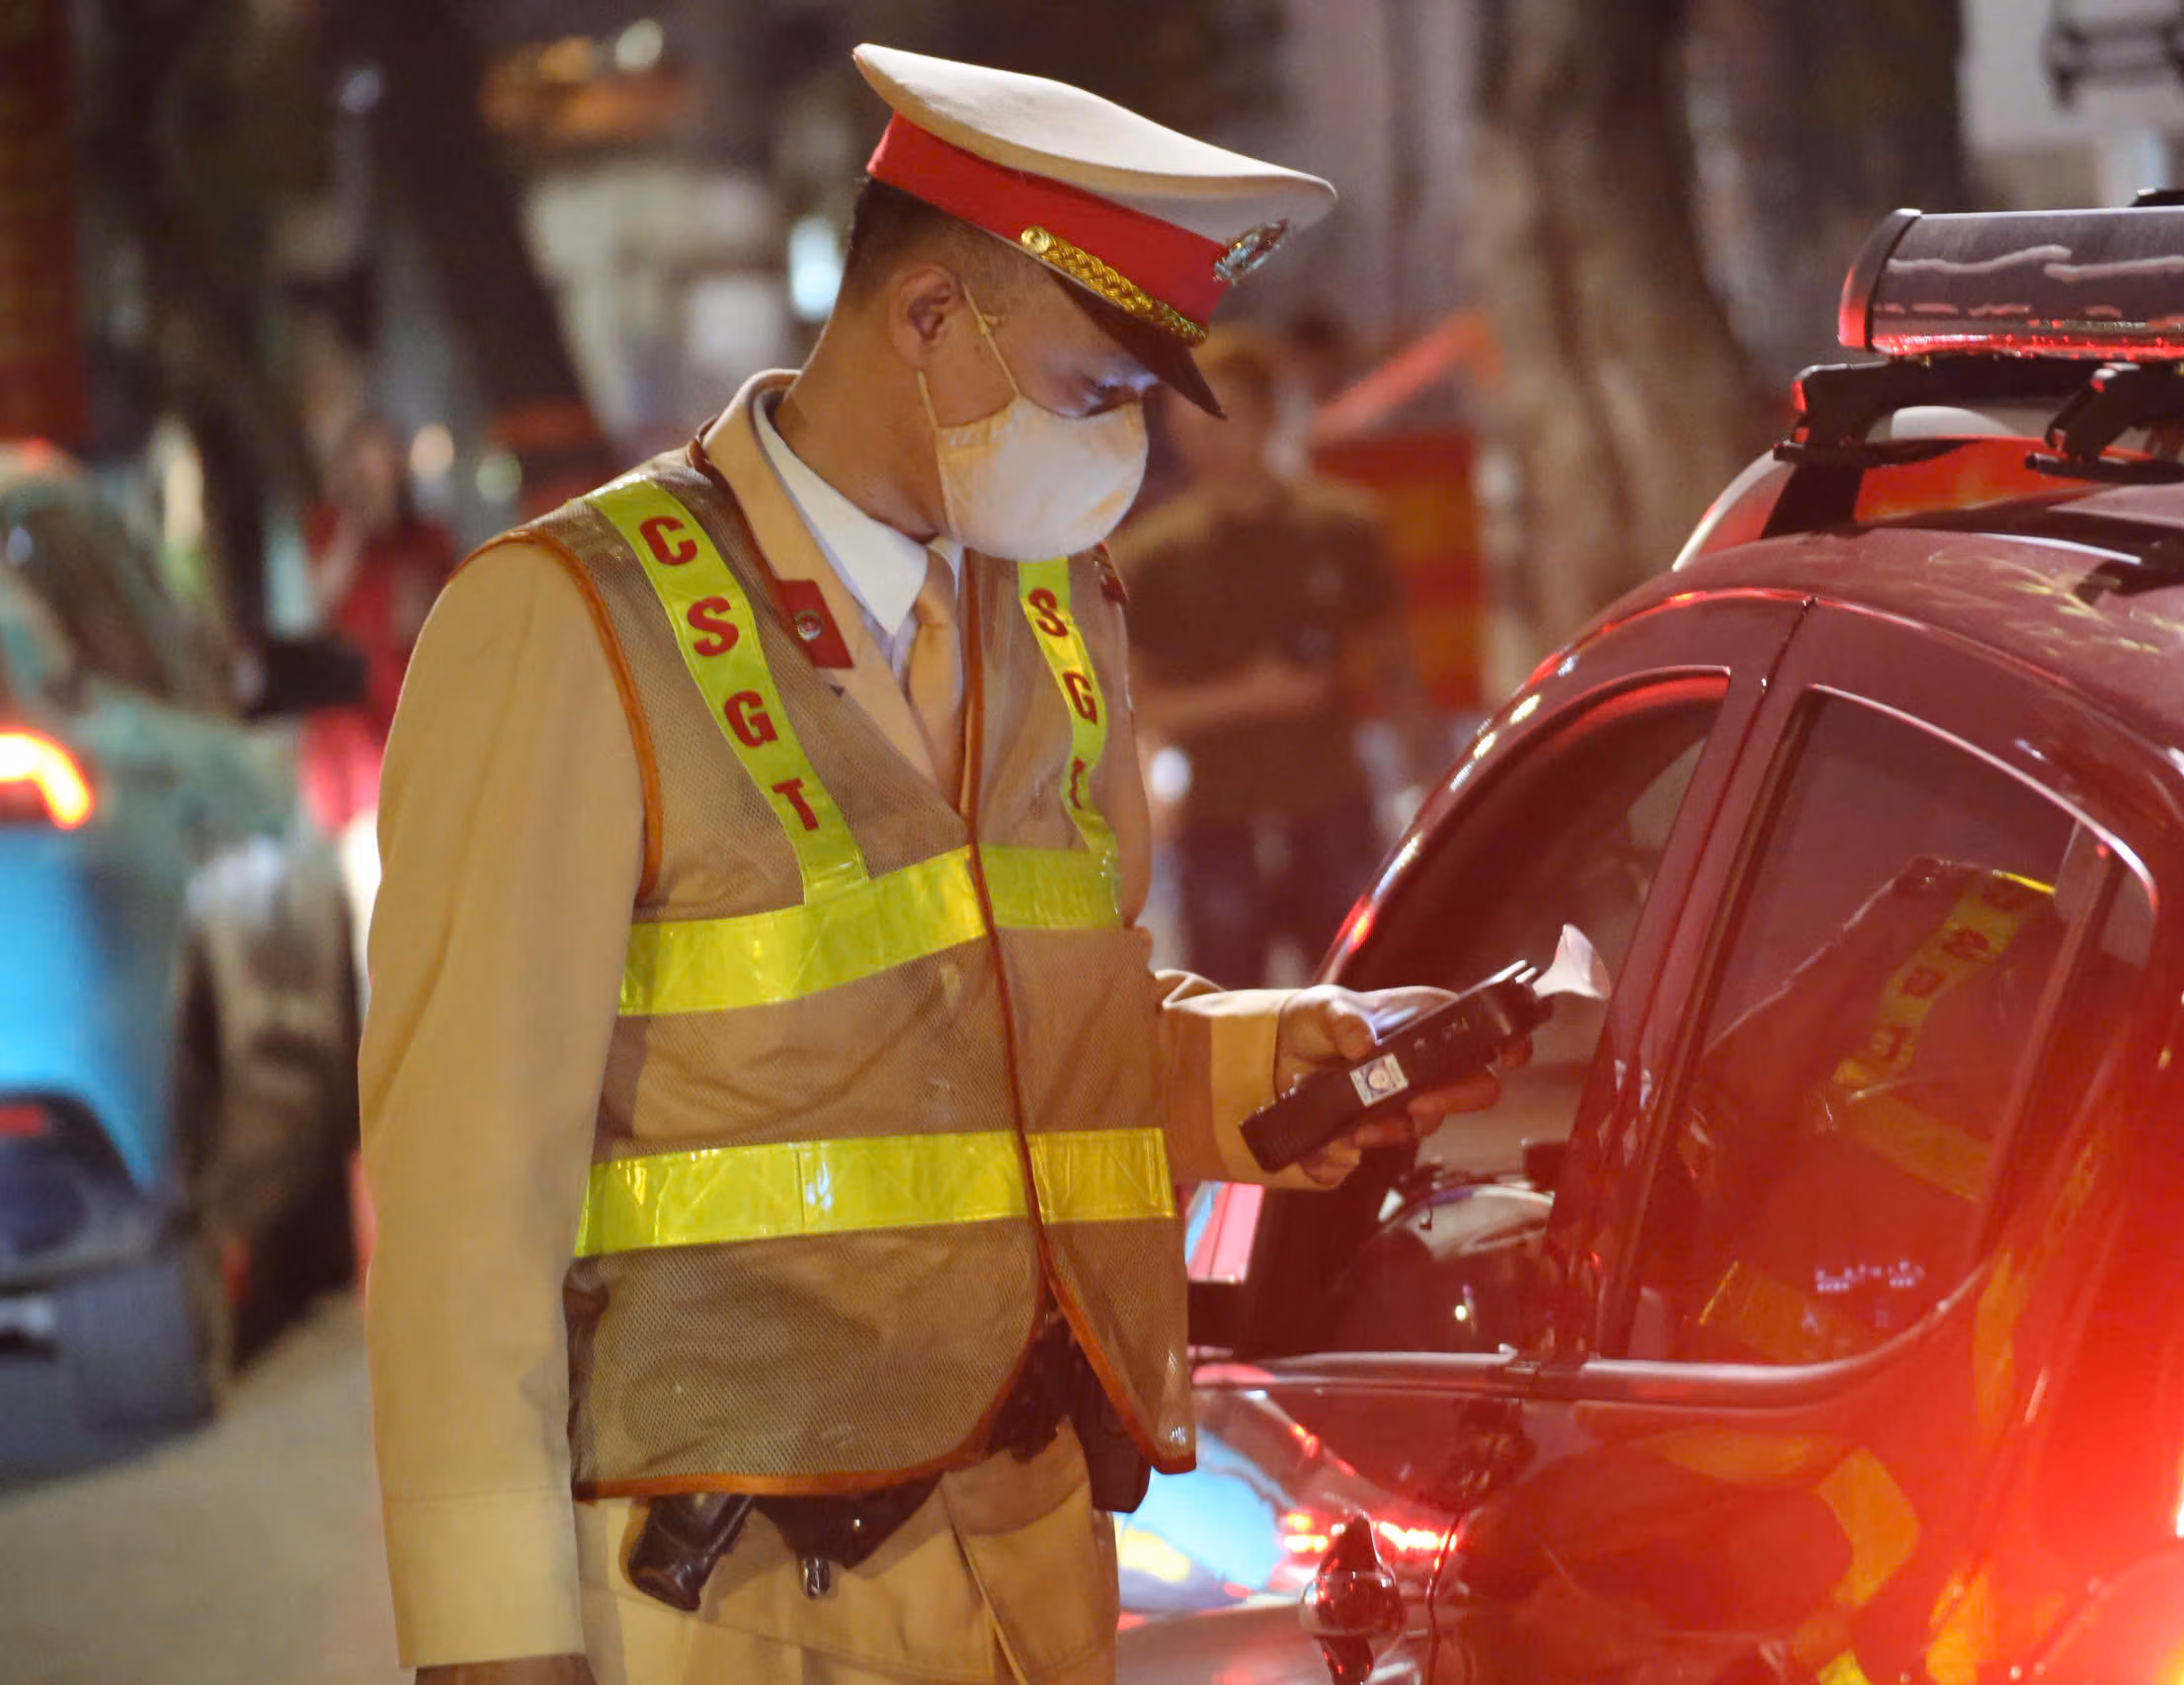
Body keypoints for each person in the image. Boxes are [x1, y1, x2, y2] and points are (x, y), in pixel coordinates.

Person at [361, 44, 1518, 1685]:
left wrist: (1260, 1065)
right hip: (738, 1604)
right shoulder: (574, 624)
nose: (1119, 445)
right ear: (926, 318)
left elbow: (996, 1028)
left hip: (1034, 1567)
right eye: (1091, 391)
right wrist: (494, 1649)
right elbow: (465, 1206)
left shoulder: (1055, 605)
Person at [1113, 331, 1423, 985]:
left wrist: (1426, 793)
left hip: (1333, 804)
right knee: (1232, 1011)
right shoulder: (1153, 556)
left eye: (1220, 418)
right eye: (1187, 423)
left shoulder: (1341, 527)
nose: (1205, 441)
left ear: (1266, 416)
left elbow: (1395, 669)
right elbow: (1132, 707)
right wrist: (1249, 695)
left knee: (1358, 998)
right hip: (1218, 820)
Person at [297, 413, 458, 833]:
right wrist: (355, 525)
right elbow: (320, 595)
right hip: (356, 734)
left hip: (417, 716)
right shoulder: (329, 531)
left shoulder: (427, 539)